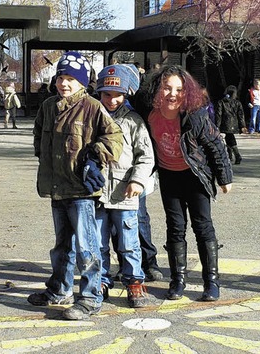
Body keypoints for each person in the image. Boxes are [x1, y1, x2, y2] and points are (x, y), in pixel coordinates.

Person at [30, 51, 123, 320]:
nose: (64, 84)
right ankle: (59, 290)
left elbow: (114, 137)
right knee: (62, 246)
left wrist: (95, 156)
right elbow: (39, 135)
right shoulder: (48, 106)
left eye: (71, 78)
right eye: (61, 77)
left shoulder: (93, 107)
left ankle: (91, 297)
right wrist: (44, 156)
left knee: (87, 247)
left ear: (82, 83)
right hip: (57, 188)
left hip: (82, 192)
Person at [138, 65, 233, 302]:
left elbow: (216, 145)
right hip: (170, 176)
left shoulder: (195, 115)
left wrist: (225, 178)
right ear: (156, 89)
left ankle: (211, 282)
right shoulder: (149, 113)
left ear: (186, 92)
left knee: (203, 227)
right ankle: (177, 280)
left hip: (195, 176)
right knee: (175, 227)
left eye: (179, 89)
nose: (172, 94)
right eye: (166, 88)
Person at [94, 64, 156, 308]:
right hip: (96, 194)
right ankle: (100, 281)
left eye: (117, 94)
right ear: (99, 93)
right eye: (107, 94)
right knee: (98, 243)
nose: (111, 99)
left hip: (124, 195)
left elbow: (145, 155)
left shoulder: (133, 121)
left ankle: (134, 282)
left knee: (129, 243)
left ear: (126, 94)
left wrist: (137, 180)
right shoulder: (92, 116)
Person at [215, 85, 248, 164]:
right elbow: (241, 115)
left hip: (225, 123)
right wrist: (242, 125)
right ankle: (231, 156)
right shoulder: (237, 103)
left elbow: (218, 115)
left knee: (230, 138)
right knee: (229, 138)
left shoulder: (221, 102)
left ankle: (236, 155)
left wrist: (217, 126)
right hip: (234, 123)